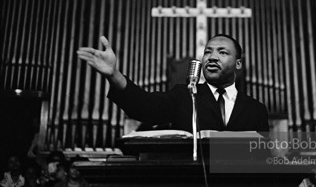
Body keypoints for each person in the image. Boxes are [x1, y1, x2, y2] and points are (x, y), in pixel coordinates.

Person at [77, 34, 269, 133]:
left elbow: (264, 160)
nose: (212, 57)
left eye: (223, 52)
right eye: (208, 52)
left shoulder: (256, 109)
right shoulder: (184, 95)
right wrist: (114, 75)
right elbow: (145, 107)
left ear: (238, 63)